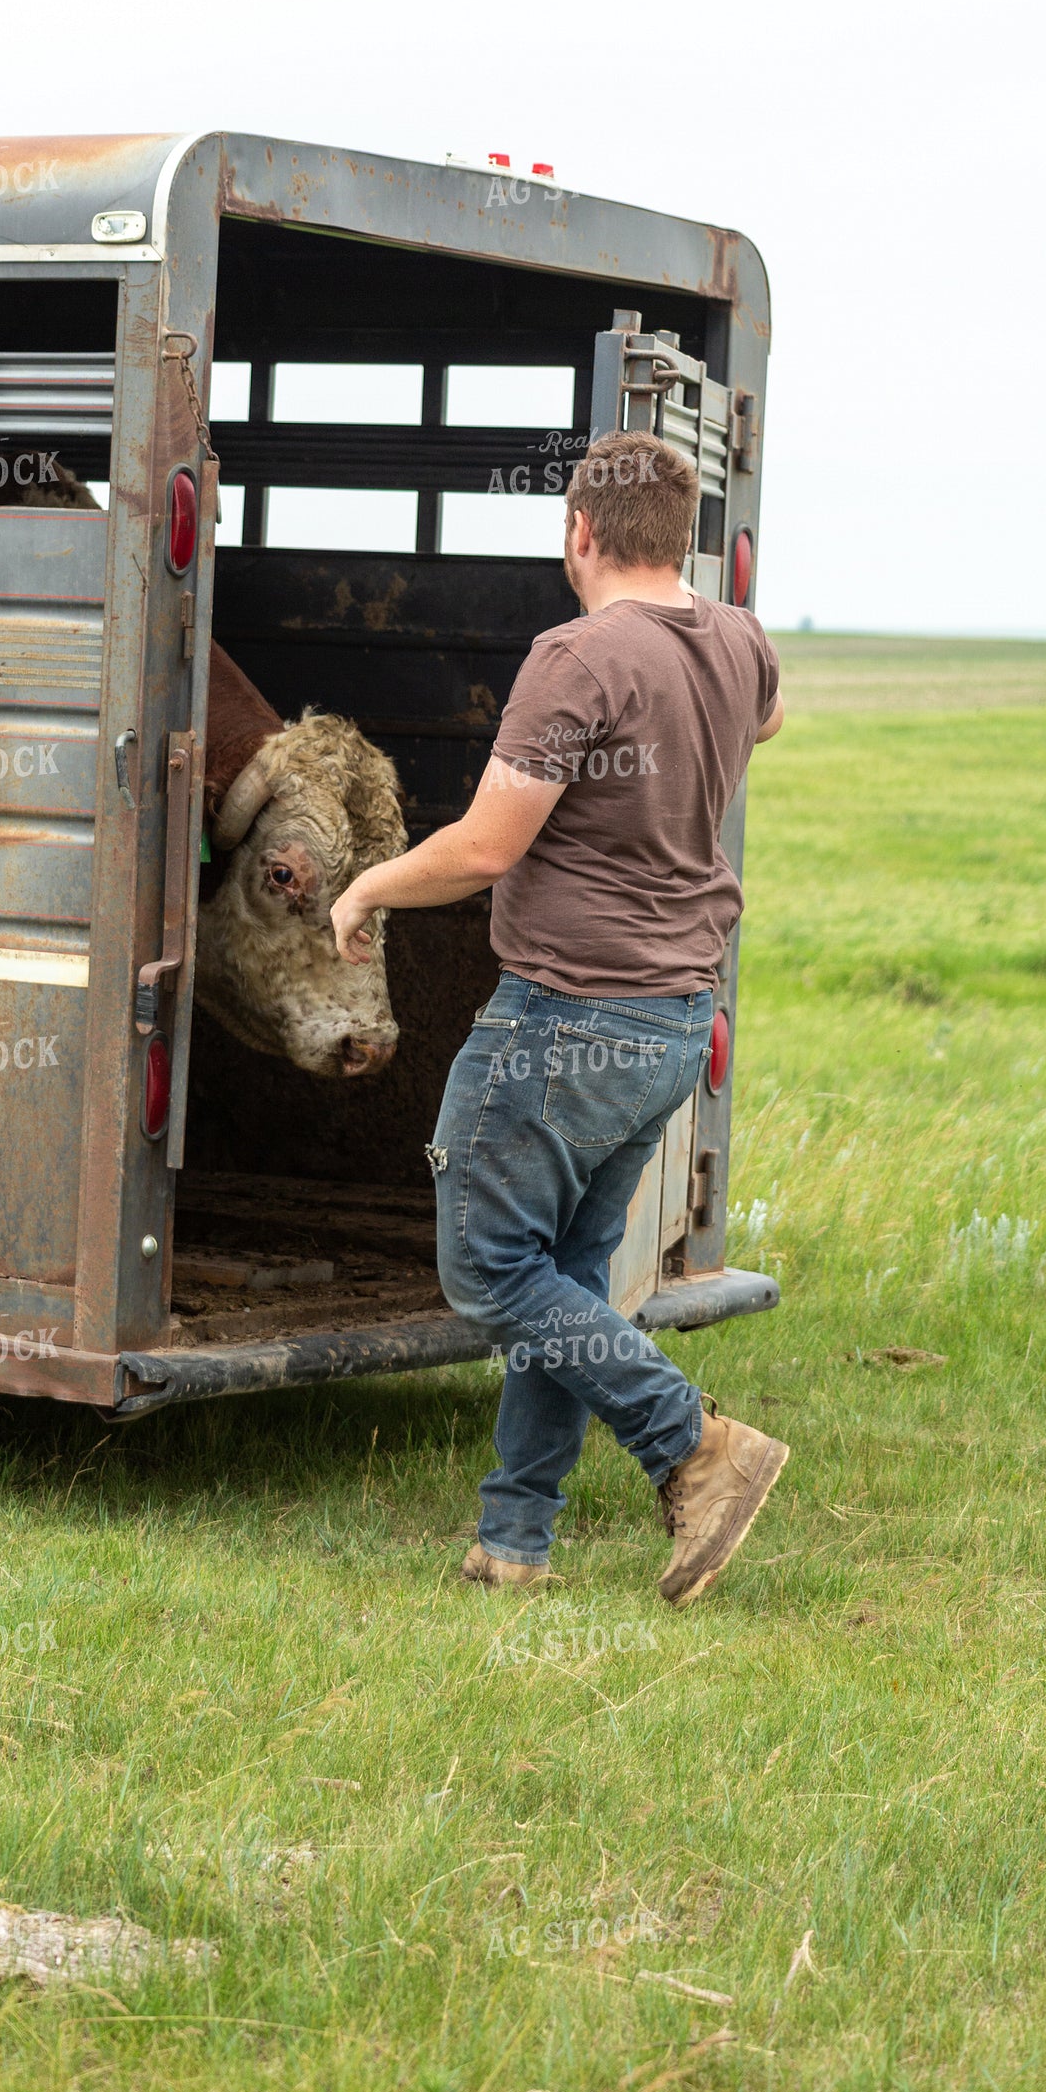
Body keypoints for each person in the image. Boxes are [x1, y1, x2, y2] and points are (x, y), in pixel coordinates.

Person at [329, 430, 787, 1608]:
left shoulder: (575, 656)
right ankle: (514, 1540)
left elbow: (486, 847)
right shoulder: (739, 643)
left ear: (577, 532)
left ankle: (692, 1444)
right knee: (566, 1279)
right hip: (677, 1020)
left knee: (489, 1274)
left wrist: (371, 882)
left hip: (565, 1021)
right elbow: (762, 722)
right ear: (678, 538)